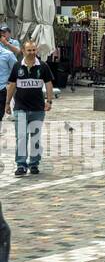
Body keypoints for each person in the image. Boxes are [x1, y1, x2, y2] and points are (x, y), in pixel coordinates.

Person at [5, 39, 53, 176]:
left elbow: (48, 84)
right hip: (20, 108)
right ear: (23, 51)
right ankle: (21, 164)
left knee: (35, 138)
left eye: (34, 50)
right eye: (29, 50)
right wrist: (7, 103)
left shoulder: (43, 66)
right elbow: (12, 85)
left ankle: (34, 164)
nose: (32, 53)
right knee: (21, 137)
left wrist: (49, 101)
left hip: (38, 109)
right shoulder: (16, 66)